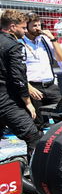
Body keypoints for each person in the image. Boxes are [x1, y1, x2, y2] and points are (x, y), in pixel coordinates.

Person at [0, 10, 42, 159]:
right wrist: (28, 102)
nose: (25, 31)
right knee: (33, 136)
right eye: (23, 28)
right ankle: (38, 176)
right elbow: (18, 77)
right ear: (12, 27)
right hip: (6, 100)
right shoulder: (14, 46)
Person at [21, 12, 62, 129]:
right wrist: (29, 88)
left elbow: (61, 57)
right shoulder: (20, 42)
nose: (38, 28)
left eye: (39, 25)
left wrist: (53, 39)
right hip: (34, 87)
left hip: (51, 86)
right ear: (27, 26)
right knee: (38, 124)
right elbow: (17, 70)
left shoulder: (45, 40)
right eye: (34, 26)